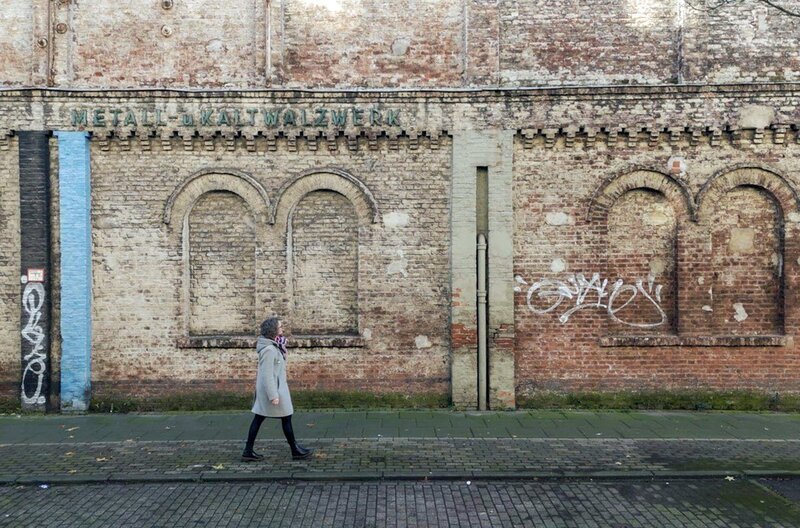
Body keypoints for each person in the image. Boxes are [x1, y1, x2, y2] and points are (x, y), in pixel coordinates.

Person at [242, 316, 313, 461]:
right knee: (284, 417)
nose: (282, 329)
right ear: (273, 330)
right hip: (274, 390)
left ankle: (248, 451)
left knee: (262, 418)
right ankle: (295, 450)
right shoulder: (269, 349)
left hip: (277, 388)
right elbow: (267, 375)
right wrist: (273, 395)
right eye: (280, 326)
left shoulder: (275, 346)